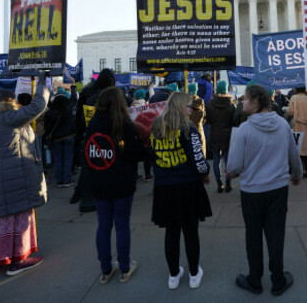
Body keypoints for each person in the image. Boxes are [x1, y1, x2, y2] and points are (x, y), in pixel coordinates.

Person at [0, 73, 50, 276]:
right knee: (15, 216)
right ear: (8, 102)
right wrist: (42, 84)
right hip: (9, 176)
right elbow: (37, 106)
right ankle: (16, 260)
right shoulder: (7, 116)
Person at [227, 85, 302, 296]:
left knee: (253, 235)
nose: (242, 102)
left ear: (256, 103)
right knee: (276, 235)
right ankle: (278, 280)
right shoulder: (282, 124)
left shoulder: (244, 129)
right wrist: (297, 174)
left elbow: (233, 165)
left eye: (245, 99)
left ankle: (255, 280)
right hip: (278, 189)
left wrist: (231, 173)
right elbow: (292, 154)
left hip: (252, 191)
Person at [149, 92, 211, 290]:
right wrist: (206, 173)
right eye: (188, 106)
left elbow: (152, 156)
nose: (191, 110)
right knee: (190, 231)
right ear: (179, 106)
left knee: (171, 232)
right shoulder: (188, 129)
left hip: (164, 187)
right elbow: (199, 160)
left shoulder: (156, 127)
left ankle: (173, 276)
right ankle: (194, 274)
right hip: (187, 186)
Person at [84, 86, 145, 284]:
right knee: (121, 225)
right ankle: (125, 268)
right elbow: (137, 155)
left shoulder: (92, 123)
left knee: (103, 225)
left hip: (98, 182)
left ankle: (105, 269)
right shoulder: (125, 125)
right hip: (122, 183)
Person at [73, 68, 116, 211]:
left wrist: (80, 133)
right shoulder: (112, 94)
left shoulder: (87, 92)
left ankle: (82, 194)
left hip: (89, 133)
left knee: (89, 167)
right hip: (105, 135)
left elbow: (80, 114)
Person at [44, 79, 78, 188]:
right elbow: (74, 98)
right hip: (68, 137)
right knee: (68, 158)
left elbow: (47, 128)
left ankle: (59, 181)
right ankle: (67, 180)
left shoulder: (49, 113)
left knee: (58, 160)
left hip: (55, 139)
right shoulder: (68, 108)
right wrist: (73, 84)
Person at [206, 80, 236, 193]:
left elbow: (208, 121)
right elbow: (233, 121)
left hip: (214, 133)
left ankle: (219, 184)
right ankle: (228, 184)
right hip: (227, 135)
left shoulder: (210, 104)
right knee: (227, 160)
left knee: (216, 160)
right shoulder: (231, 105)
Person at [286, 87, 307, 178]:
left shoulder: (294, 98)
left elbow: (290, 112)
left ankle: (297, 171)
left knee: (297, 149)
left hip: (298, 125)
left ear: (296, 89)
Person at [187, 83, 206, 157]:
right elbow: (204, 118)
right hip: (199, 130)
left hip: (187, 131)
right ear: (196, 90)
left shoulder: (185, 103)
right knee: (200, 154)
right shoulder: (201, 103)